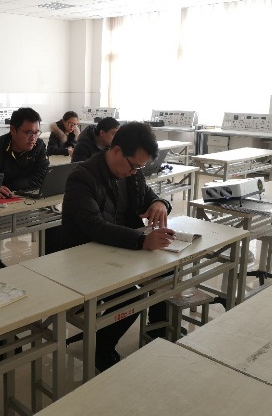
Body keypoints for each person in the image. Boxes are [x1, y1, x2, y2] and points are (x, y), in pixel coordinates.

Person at [61, 121, 174, 373]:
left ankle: (158, 330)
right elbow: (95, 227)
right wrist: (141, 240)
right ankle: (101, 350)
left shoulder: (132, 173)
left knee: (166, 270)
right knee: (132, 296)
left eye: (140, 167)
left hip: (119, 248)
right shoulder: (83, 177)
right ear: (116, 151)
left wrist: (160, 203)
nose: (135, 172)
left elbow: (149, 197)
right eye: (134, 166)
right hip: (86, 256)